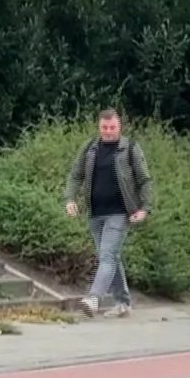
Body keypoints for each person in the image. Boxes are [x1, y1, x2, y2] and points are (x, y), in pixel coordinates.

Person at [64, 108, 154, 317]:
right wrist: (70, 199)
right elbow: (75, 175)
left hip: (119, 212)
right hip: (95, 213)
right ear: (99, 127)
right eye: (104, 127)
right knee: (111, 257)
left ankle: (93, 299)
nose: (108, 131)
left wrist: (144, 208)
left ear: (119, 126)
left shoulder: (129, 148)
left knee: (107, 257)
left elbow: (144, 180)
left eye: (112, 127)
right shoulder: (90, 148)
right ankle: (123, 303)